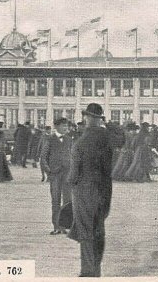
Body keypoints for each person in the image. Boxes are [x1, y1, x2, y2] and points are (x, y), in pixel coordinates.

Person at [68, 103, 114, 277]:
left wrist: (70, 182)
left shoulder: (80, 141)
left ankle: (88, 271)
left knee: (85, 231)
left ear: (87, 118)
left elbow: (73, 175)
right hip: (104, 191)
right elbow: (120, 139)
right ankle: (97, 268)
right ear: (100, 119)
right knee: (99, 229)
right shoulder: (106, 137)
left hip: (84, 192)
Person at [41, 118, 74, 235]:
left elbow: (72, 155)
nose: (66, 128)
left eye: (67, 126)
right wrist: (48, 171)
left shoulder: (69, 140)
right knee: (55, 200)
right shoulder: (49, 139)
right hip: (55, 175)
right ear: (56, 127)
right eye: (64, 126)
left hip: (67, 175)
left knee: (67, 201)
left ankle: (64, 226)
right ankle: (56, 226)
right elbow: (43, 157)